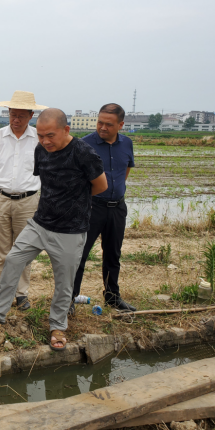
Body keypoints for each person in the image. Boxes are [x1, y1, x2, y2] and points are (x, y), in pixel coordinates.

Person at [0, 109, 107, 352]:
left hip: (70, 230)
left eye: (50, 135)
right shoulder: (41, 150)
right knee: (12, 260)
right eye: (41, 136)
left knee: (64, 282)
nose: (44, 141)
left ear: (66, 130)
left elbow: (100, 185)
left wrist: (75, 203)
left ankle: (57, 326)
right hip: (40, 223)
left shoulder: (84, 153)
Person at [0, 91, 46, 311]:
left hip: (28, 202)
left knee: (24, 251)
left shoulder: (40, 139)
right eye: (12, 114)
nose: (16, 119)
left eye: (21, 115)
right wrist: (4, 190)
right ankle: (2, 295)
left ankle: (21, 294)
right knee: (2, 252)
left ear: (31, 115)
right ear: (8, 113)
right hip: (0, 199)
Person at [71, 103, 136, 314]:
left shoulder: (127, 144)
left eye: (109, 124)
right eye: (100, 122)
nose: (103, 127)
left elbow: (124, 172)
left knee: (113, 255)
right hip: (91, 208)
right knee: (79, 255)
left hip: (117, 208)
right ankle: (69, 299)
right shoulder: (84, 144)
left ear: (121, 125)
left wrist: (114, 192)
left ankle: (112, 297)